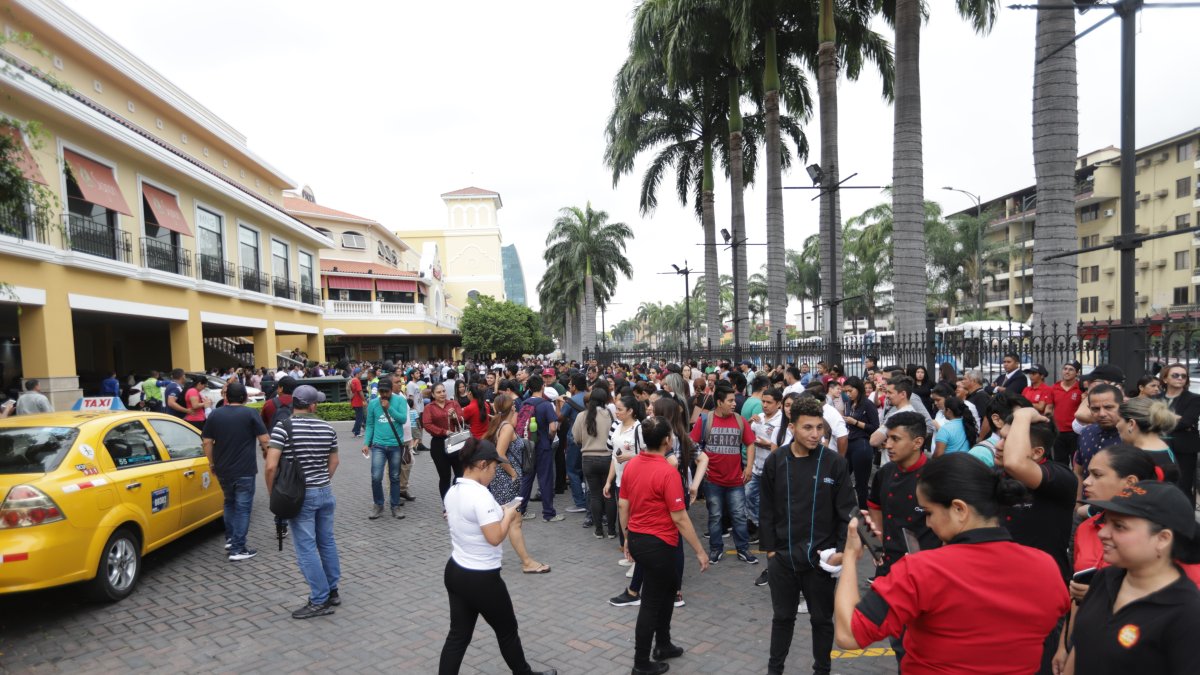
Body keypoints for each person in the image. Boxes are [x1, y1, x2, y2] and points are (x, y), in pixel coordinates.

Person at [835, 453, 1069, 672]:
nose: (927, 523)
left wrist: (849, 556)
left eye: (929, 512)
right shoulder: (1046, 566)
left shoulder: (920, 571)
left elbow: (849, 634)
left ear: (959, 509)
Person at [437, 438, 557, 675]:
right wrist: (509, 515)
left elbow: (470, 518)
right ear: (482, 464)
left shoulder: (454, 490)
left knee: (458, 636)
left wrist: (500, 511)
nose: (495, 472)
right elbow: (494, 537)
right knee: (507, 630)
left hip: (456, 571)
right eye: (494, 467)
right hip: (481, 578)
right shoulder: (480, 495)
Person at [759, 396, 857, 675]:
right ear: (792, 428)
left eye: (819, 428)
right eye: (808, 428)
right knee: (782, 618)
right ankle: (774, 669)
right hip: (783, 558)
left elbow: (847, 512)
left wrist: (839, 552)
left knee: (822, 621)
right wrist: (770, 551)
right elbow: (766, 509)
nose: (816, 434)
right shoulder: (777, 461)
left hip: (821, 561)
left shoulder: (834, 463)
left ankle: (822, 670)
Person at [1063, 481, 1200, 674]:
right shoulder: (1105, 579)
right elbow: (1082, 647)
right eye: (1106, 522)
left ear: (1162, 539)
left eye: (1119, 526)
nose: (1102, 533)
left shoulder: (1187, 613)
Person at [617, 415, 710, 675]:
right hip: (659, 544)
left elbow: (623, 505)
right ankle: (641, 662)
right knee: (651, 602)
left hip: (638, 538)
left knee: (668, 592)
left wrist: (626, 536)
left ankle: (664, 644)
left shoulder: (633, 464)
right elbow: (679, 517)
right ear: (668, 441)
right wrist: (700, 551)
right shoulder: (667, 472)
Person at [265, 385, 342, 620]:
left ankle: (319, 599)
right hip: (325, 492)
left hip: (300, 496)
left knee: (306, 547)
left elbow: (270, 466)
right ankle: (333, 590)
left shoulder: (282, 428)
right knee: (326, 542)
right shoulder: (328, 427)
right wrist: (321, 480)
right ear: (311, 405)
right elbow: (335, 462)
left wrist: (274, 494)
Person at [202, 381, 270, 562]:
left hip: (223, 469)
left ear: (226, 396)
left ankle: (231, 539)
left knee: (229, 503)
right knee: (243, 508)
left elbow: (207, 442)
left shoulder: (215, 414)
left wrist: (212, 463)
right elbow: (264, 439)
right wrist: (270, 456)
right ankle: (238, 548)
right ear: (245, 397)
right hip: (245, 469)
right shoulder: (250, 413)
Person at [690, 384, 758, 565]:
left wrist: (749, 466)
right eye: (730, 401)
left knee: (738, 516)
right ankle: (715, 549)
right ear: (719, 402)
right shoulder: (706, 419)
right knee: (715, 516)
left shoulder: (740, 421)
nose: (734, 404)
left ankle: (743, 549)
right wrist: (702, 463)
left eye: (734, 400)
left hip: (736, 480)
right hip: (713, 481)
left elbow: (750, 443)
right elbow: (691, 443)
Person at [484, 393, 550, 574]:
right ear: (511, 407)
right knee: (513, 520)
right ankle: (526, 562)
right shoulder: (506, 427)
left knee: (512, 519)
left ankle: (522, 560)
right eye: (514, 405)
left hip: (504, 479)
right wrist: (513, 474)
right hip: (507, 480)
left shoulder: (500, 424)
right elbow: (500, 454)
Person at [604, 395, 647, 548]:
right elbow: (614, 457)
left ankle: (634, 549)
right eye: (616, 409)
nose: (616, 412)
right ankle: (626, 547)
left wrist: (629, 456)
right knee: (623, 513)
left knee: (632, 515)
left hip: (636, 480)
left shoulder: (639, 428)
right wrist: (609, 481)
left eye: (620, 410)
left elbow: (649, 454)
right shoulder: (616, 426)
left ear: (630, 411)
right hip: (619, 480)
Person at [362, 378, 408, 520]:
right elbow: (370, 425)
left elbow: (403, 419)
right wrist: (366, 442)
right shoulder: (373, 404)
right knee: (376, 476)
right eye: (381, 392)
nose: (383, 395)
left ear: (391, 390)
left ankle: (395, 506)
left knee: (394, 476)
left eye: (386, 391)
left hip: (395, 444)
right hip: (378, 445)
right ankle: (378, 505)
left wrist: (389, 408)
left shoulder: (400, 400)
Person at [517, 375, 560, 522]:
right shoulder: (546, 405)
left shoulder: (524, 404)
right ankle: (548, 513)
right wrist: (549, 436)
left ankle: (521, 510)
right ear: (542, 386)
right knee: (545, 479)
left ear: (528, 388)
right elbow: (553, 427)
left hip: (527, 446)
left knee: (527, 478)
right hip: (542, 446)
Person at [576, 386, 617, 538]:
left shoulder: (582, 416)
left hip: (588, 459)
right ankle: (612, 531)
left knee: (595, 495)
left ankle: (598, 530)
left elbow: (576, 438)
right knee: (609, 494)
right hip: (608, 459)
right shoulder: (611, 415)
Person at [1073, 383, 1124, 497]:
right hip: (1086, 505)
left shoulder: (1131, 436)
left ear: (1121, 406)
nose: (1102, 414)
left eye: (1108, 407)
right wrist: (1077, 503)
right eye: (1095, 409)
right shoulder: (1086, 432)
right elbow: (1078, 472)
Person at [1158, 362, 1200, 501]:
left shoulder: (1194, 399)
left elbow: (1186, 422)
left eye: (1184, 376)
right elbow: (1148, 421)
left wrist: (1161, 417)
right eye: (1175, 375)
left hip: (1184, 449)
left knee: (1183, 486)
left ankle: (1185, 520)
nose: (1180, 378)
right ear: (1165, 379)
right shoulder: (1155, 399)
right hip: (1158, 447)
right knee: (1159, 484)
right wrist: (1175, 418)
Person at [1116, 396, 1181, 483]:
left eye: (1118, 421)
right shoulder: (1166, 449)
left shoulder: (1135, 459)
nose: (1116, 425)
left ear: (1131, 424)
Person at [841, 376, 879, 511]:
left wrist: (856, 422)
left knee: (861, 483)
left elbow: (875, 427)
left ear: (858, 389)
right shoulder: (849, 404)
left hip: (862, 444)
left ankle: (864, 512)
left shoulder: (867, 404)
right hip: (849, 443)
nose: (847, 394)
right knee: (842, 477)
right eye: (845, 391)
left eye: (850, 391)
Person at [424, 382, 465, 502]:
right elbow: (427, 425)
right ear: (433, 394)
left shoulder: (453, 403)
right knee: (444, 476)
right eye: (438, 392)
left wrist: (454, 417)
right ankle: (447, 503)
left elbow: (462, 420)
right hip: (439, 443)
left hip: (456, 441)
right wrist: (443, 431)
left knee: (460, 474)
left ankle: (456, 498)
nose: (442, 394)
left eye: (443, 391)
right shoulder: (429, 408)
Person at [559, 374, 589, 514]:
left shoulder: (570, 401)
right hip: (590, 439)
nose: (569, 387)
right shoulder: (591, 398)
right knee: (586, 470)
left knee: (572, 470)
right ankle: (588, 498)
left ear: (575, 387)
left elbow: (560, 417)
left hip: (574, 438)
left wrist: (559, 404)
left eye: (570, 385)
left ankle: (580, 502)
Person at [1049, 361, 1084, 465]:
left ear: (1077, 373)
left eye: (1071, 369)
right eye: (1065, 369)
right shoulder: (1054, 387)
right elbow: (1050, 408)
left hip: (1075, 432)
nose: (1067, 372)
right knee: (1060, 462)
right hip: (1058, 432)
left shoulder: (1080, 389)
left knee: (1076, 463)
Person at [349, 369, 366, 438]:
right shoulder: (357, 381)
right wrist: (364, 400)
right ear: (357, 373)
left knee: (360, 417)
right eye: (361, 373)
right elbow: (360, 391)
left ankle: (355, 430)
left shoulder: (353, 380)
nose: (361, 375)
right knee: (359, 418)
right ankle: (356, 432)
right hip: (358, 402)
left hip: (354, 402)